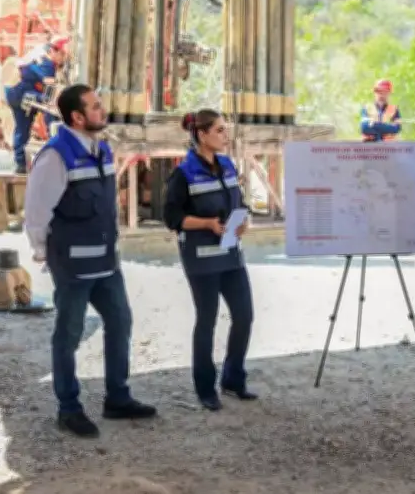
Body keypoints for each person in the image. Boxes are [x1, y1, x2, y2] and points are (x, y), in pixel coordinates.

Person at [24, 83, 157, 437]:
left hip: (106, 262)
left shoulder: (102, 149)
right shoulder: (55, 156)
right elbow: (36, 214)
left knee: (120, 322)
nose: (103, 111)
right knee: (68, 334)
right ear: (76, 116)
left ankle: (117, 398)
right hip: (73, 266)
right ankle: (68, 408)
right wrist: (46, 254)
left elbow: (107, 205)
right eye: (95, 107)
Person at [163, 109, 258, 412]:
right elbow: (172, 217)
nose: (225, 134)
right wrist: (206, 224)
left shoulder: (228, 165)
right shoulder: (184, 173)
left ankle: (233, 379)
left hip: (230, 253)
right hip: (201, 258)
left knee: (244, 315)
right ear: (201, 135)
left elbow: (239, 202)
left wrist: (243, 221)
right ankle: (206, 388)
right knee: (207, 320)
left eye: (224, 129)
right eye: (219, 130)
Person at [5, 37, 68, 174]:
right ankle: (55, 146)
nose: (63, 59)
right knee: (52, 110)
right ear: (53, 51)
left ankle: (21, 164)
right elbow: (50, 88)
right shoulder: (47, 64)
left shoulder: (40, 53)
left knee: (22, 128)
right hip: (21, 92)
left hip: (15, 90)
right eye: (62, 55)